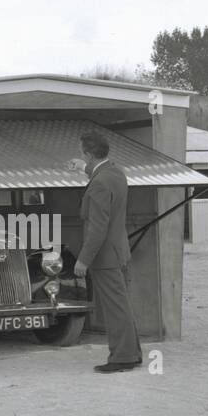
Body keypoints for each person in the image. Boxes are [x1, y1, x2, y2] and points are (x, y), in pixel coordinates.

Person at [73, 131, 142, 373]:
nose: (82, 155)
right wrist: (84, 168)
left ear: (90, 154)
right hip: (119, 251)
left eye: (83, 153)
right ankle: (131, 354)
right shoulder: (116, 173)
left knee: (115, 308)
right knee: (122, 304)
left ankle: (122, 358)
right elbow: (101, 173)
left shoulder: (100, 183)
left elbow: (97, 228)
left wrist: (83, 260)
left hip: (105, 257)